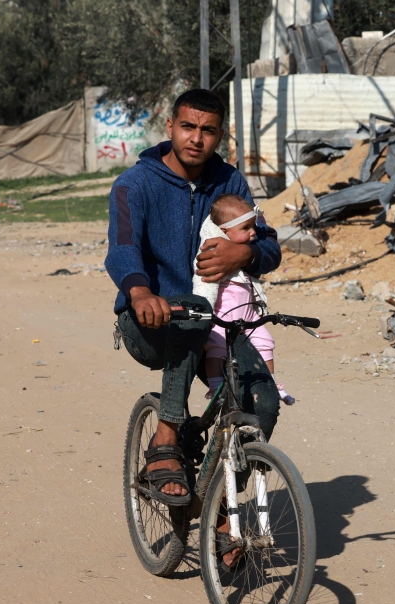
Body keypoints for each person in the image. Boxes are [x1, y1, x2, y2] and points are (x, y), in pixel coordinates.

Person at [105, 89, 282, 507]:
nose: (196, 138)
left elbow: (269, 245)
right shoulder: (134, 184)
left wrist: (248, 252)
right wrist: (140, 290)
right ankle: (165, 440)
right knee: (191, 317)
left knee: (264, 400)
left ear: (220, 135)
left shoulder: (231, 182)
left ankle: (225, 503)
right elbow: (122, 247)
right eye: (188, 126)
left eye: (208, 130)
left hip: (220, 323)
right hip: (151, 322)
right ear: (170, 127)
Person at [193, 193, 295, 405]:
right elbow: (205, 285)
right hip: (223, 315)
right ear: (224, 231)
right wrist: (203, 312)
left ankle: (272, 383)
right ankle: (214, 387)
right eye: (246, 228)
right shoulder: (212, 256)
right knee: (216, 345)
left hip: (248, 314)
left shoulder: (238, 256)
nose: (252, 233)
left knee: (266, 342)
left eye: (253, 227)